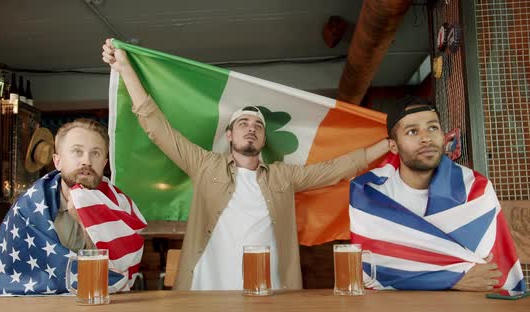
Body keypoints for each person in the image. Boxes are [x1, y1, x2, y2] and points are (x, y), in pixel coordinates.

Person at [102, 39, 390, 291]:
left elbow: (337, 169)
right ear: (229, 135)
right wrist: (125, 68)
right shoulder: (205, 165)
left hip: (271, 288)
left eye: (257, 126)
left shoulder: (282, 176)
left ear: (264, 139)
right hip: (206, 287)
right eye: (243, 123)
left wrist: (386, 145)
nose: (250, 129)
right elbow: (157, 128)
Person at [349, 96, 526, 292]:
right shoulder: (369, 195)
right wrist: (452, 279)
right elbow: (373, 272)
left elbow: (487, 273)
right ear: (393, 146)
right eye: (412, 131)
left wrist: (419, 271)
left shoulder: (474, 189)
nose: (426, 137)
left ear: (443, 135)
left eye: (433, 128)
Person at [0, 119, 147, 296]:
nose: (86, 161)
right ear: (57, 161)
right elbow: (12, 276)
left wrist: (85, 220)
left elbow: (113, 276)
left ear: (104, 163)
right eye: (77, 152)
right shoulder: (29, 207)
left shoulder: (119, 206)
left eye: (95, 153)